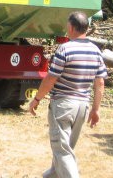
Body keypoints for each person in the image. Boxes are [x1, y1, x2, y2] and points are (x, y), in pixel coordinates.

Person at [28, 11, 107, 178]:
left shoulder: (65, 48)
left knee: (62, 152)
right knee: (64, 150)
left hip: (63, 106)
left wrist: (36, 99)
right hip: (82, 107)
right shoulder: (95, 51)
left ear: (71, 27)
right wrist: (96, 109)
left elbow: (51, 78)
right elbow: (100, 83)